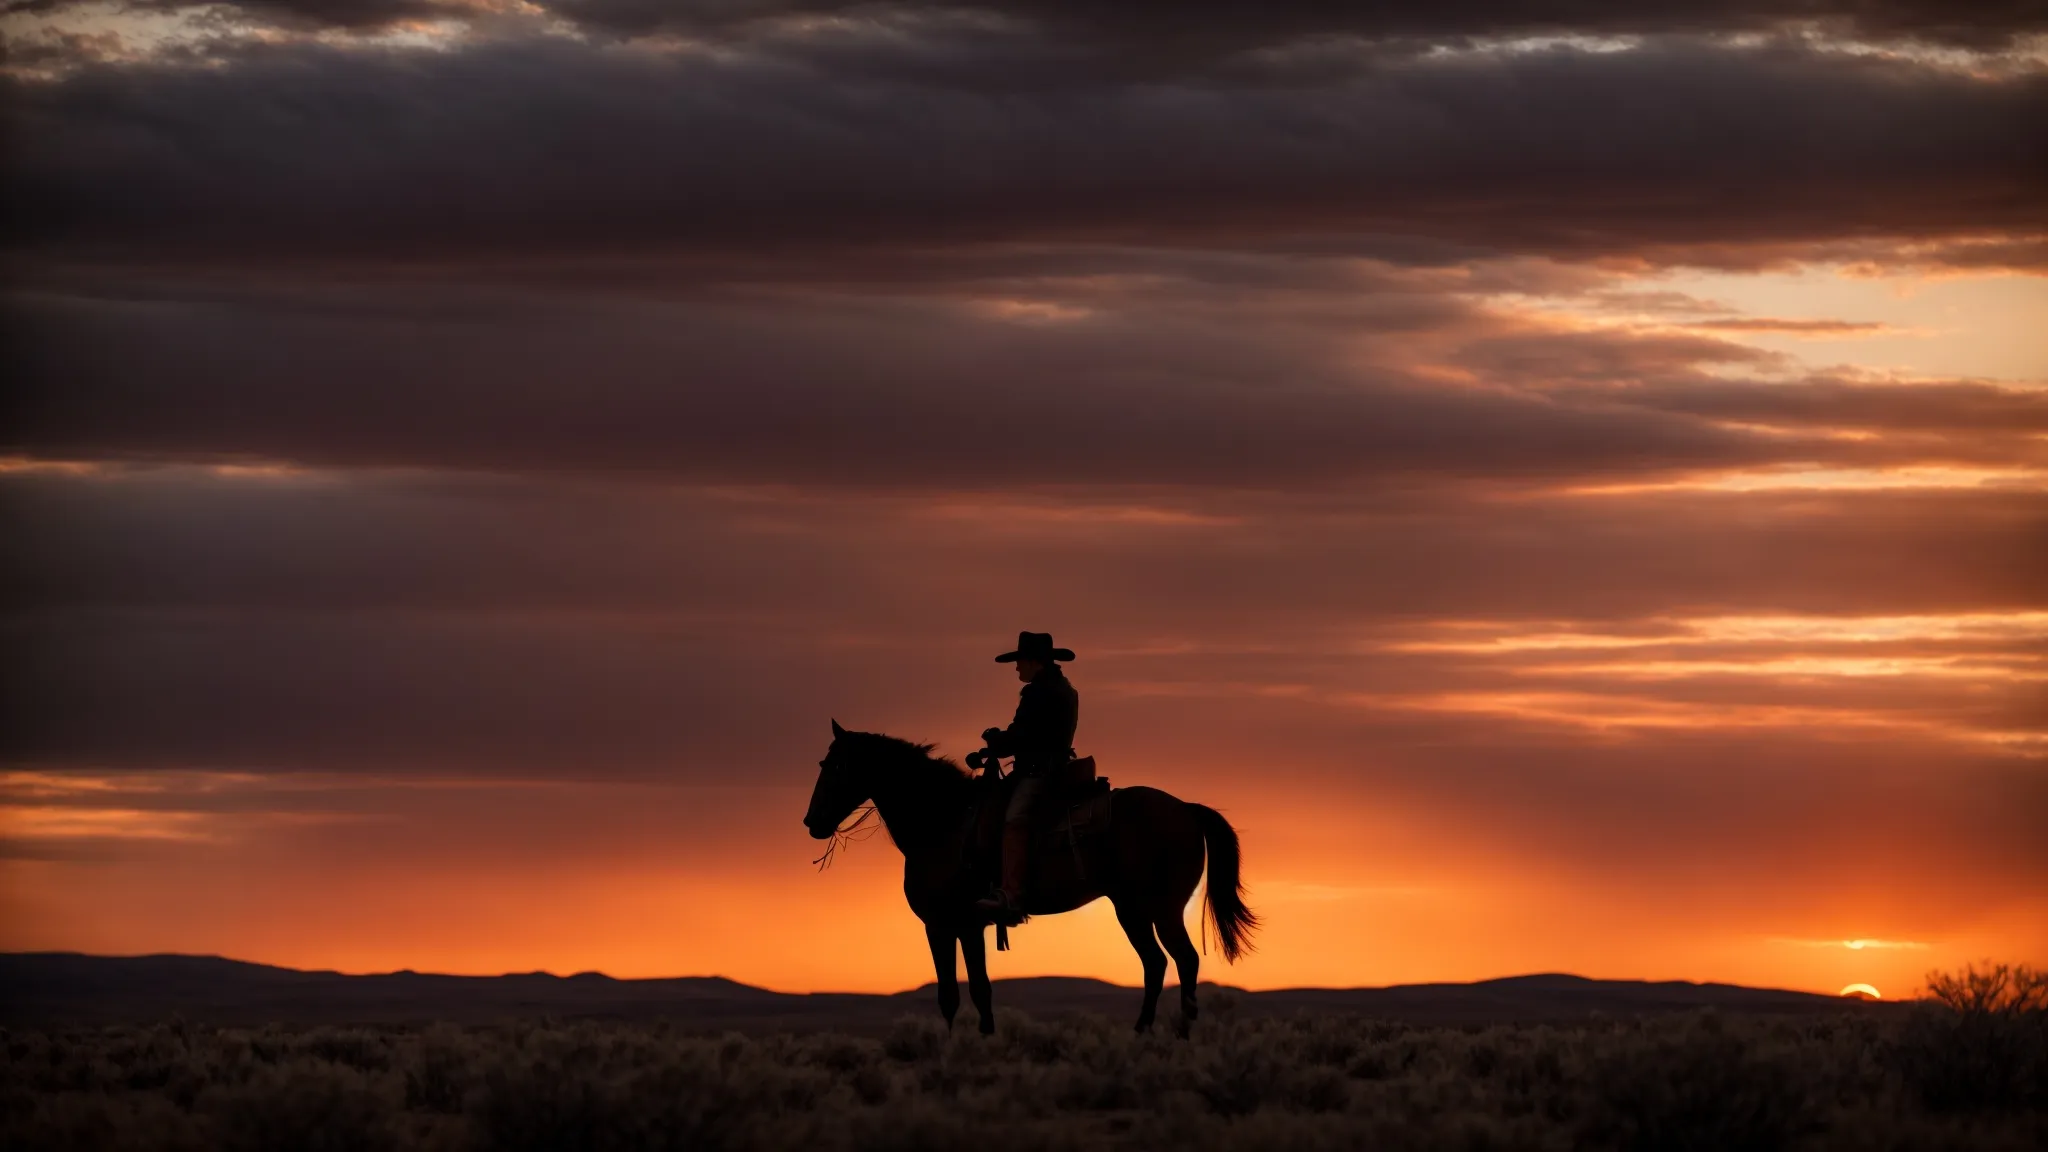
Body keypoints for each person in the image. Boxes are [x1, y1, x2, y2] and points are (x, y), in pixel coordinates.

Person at [974, 631, 1079, 920]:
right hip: (1056, 768)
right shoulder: (1065, 690)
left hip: (1038, 773)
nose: (1017, 668)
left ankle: (1012, 892)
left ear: (1035, 662)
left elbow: (1025, 735)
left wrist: (996, 740)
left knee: (1014, 820)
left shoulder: (1038, 692)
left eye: (1021, 662)